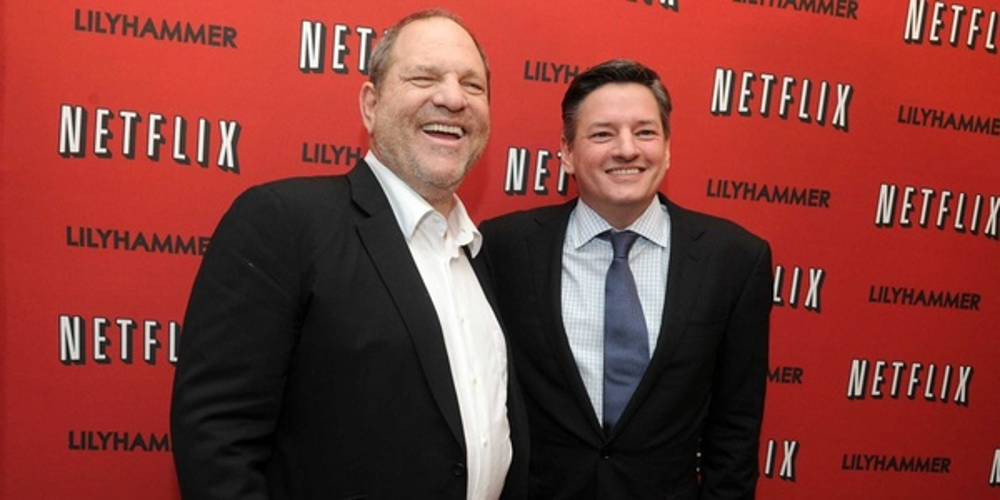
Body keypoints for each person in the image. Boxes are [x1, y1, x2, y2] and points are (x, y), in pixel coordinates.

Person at [170, 10, 528, 500]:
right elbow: (216, 443)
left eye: (473, 85)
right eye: (424, 78)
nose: (452, 98)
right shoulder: (283, 222)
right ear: (370, 105)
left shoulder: (480, 254)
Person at [480, 59, 772, 499]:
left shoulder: (733, 259)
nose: (627, 149)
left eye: (645, 132)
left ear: (667, 148)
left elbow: (736, 427)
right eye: (602, 134)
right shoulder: (504, 247)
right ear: (567, 152)